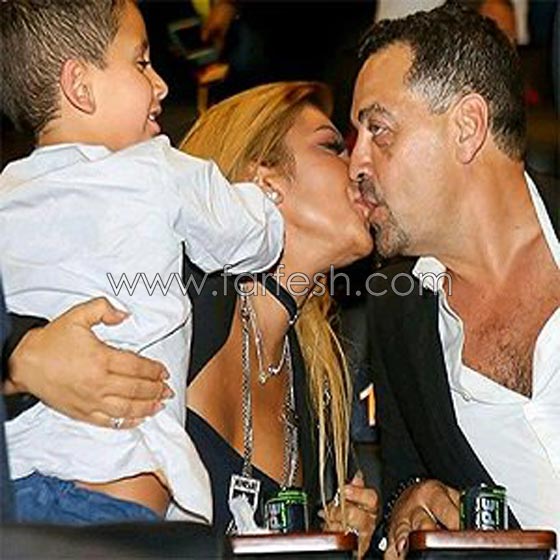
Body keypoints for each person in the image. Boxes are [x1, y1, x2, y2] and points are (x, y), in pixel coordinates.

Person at [0, 0, 284, 525]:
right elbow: (252, 239)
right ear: (80, 86)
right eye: (142, 62)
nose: (162, 85)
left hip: (12, 487)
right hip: (108, 493)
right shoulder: (157, 169)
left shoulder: (7, 193)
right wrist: (264, 197)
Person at [349, 3, 559, 558]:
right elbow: (407, 479)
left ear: (467, 127)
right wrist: (409, 502)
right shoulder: (396, 312)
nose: (356, 163)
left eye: (378, 129)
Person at [179, 82, 379, 557]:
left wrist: (342, 538)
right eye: (332, 146)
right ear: (265, 181)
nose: (359, 167)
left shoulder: (319, 377)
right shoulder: (183, 297)